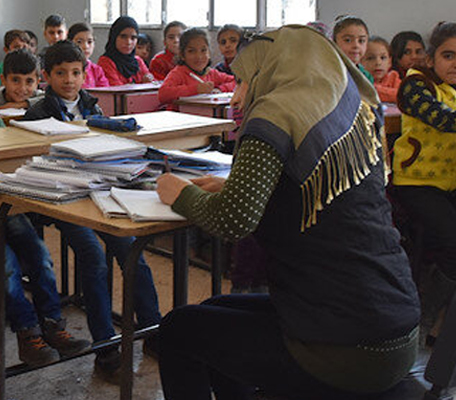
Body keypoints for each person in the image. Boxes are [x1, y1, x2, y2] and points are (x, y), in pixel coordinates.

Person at [156, 25, 420, 400]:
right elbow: (303, 189)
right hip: (393, 327)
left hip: (343, 349)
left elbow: (233, 220)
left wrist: (178, 192)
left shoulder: (275, 113)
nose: (237, 95)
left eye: (245, 79)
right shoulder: (348, 109)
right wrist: (232, 187)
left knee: (179, 330)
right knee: (215, 309)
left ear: (272, 71)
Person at [23, 41, 161, 379]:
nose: (69, 80)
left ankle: (153, 330)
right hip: (62, 199)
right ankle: (105, 348)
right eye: (60, 73)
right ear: (46, 77)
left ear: (85, 74)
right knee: (93, 257)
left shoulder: (93, 106)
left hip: (100, 193)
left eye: (75, 72)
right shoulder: (37, 113)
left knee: (132, 251)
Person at [0, 54, 90, 365]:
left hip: (3, 202)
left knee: (39, 255)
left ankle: (53, 325)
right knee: (7, 263)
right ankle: (28, 333)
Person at [392, 21, 456, 347]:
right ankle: (426, 316)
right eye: (448, 55)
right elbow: (441, 118)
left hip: (448, 185)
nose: (455, 63)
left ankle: (442, 319)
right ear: (431, 59)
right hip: (415, 183)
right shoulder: (416, 85)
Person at [158, 28, 236, 105]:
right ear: (182, 55)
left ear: (209, 53)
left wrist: (220, 89)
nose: (199, 56)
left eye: (203, 50)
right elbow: (163, 94)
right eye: (191, 51)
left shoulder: (211, 73)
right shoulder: (179, 73)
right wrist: (196, 89)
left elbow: (236, 81)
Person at [98, 16, 154, 85]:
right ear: (114, 37)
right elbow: (117, 91)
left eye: (133, 38)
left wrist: (149, 79)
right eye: (123, 37)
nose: (128, 42)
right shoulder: (106, 62)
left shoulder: (138, 61)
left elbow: (151, 84)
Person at [333, 15, 373, 84]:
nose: (356, 45)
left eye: (361, 41)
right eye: (348, 40)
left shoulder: (366, 76)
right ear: (334, 42)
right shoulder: (331, 72)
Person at [67, 22, 109, 88]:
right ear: (70, 43)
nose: (85, 46)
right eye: (79, 42)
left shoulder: (96, 70)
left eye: (89, 42)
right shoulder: (66, 68)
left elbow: (105, 93)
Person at [363, 36, 401, 103]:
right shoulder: (361, 80)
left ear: (389, 62)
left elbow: (402, 95)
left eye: (383, 58)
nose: (378, 63)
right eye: (370, 58)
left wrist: (375, 89)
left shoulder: (393, 77)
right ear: (360, 62)